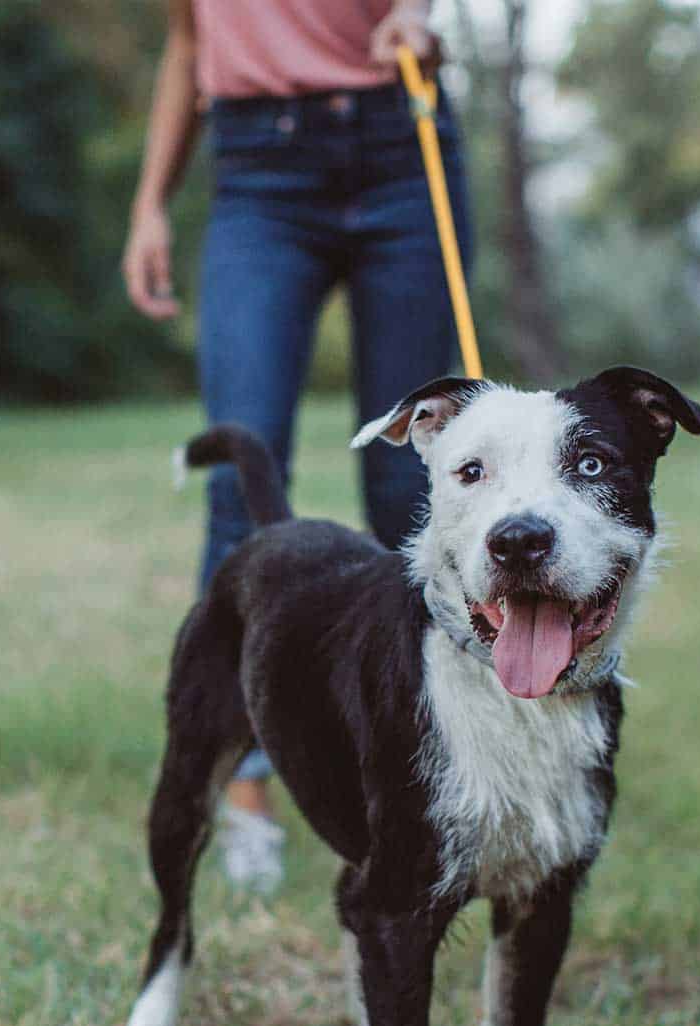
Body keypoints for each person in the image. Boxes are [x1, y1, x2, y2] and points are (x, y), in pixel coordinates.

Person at [124, 0, 472, 894]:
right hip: (258, 172)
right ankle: (244, 785)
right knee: (240, 485)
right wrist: (149, 206)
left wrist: (417, 22)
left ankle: (442, 762)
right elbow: (187, 40)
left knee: (412, 483)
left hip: (399, 143)